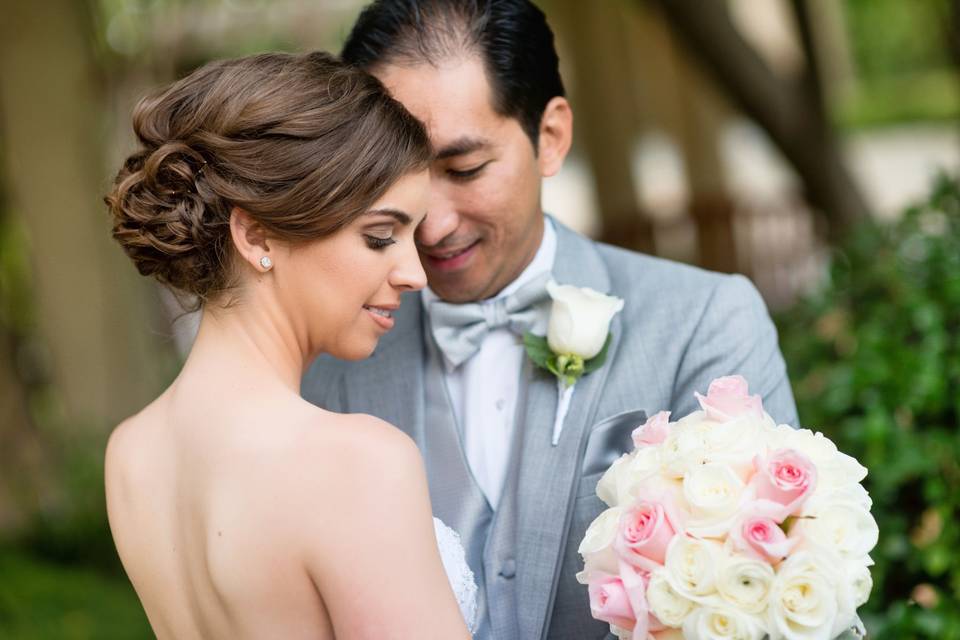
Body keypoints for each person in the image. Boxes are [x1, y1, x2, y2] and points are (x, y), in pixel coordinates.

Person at [302, 2, 800, 639]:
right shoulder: (328, 361)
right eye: (390, 177)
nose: (431, 223)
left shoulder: (703, 322)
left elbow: (763, 588)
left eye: (464, 169)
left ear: (551, 136)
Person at [104, 51, 476, 639]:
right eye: (380, 237)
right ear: (255, 235)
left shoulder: (130, 455)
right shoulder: (356, 463)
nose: (415, 274)